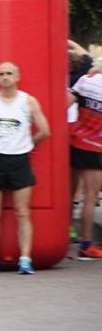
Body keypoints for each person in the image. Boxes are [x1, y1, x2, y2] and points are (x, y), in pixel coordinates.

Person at [0, 62, 50, 275]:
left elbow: (45, 130)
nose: (5, 77)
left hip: (20, 160)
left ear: (17, 76)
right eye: (1, 74)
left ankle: (25, 259)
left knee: (23, 211)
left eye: (9, 73)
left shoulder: (28, 101)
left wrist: (28, 144)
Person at [67, 59, 102, 260]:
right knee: (90, 196)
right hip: (95, 146)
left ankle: (64, 234)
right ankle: (86, 245)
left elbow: (65, 103)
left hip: (75, 139)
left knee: (70, 194)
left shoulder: (85, 80)